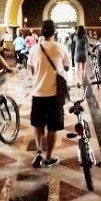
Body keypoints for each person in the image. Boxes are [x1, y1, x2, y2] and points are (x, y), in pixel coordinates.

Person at [27, 20, 71, 168]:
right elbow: (66, 66)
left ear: (41, 32)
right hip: (54, 94)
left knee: (38, 123)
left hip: (37, 92)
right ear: (54, 32)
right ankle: (49, 157)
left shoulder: (34, 49)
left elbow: (31, 69)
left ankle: (39, 151)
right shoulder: (61, 47)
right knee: (53, 126)